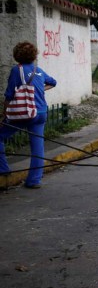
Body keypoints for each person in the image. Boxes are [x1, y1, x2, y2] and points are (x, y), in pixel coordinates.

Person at [0, 41, 57, 189]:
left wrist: (4, 114)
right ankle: (34, 180)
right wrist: (42, 89)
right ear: (34, 55)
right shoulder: (38, 70)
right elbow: (53, 82)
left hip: (26, 112)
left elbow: (9, 94)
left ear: (17, 56)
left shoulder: (16, 70)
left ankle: (3, 169)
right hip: (41, 112)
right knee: (38, 147)